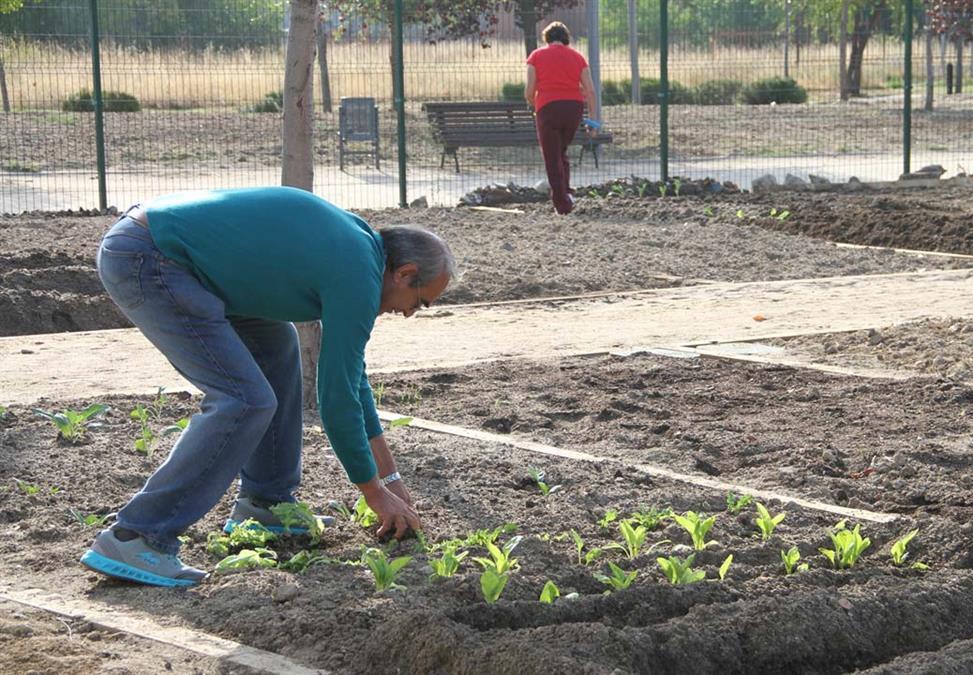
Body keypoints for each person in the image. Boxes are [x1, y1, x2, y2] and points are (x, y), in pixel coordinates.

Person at [80, 186, 456, 587]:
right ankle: (137, 534)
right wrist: (373, 492)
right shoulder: (358, 272)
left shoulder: (361, 252)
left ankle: (265, 503)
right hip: (153, 258)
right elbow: (336, 399)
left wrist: (391, 479)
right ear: (405, 273)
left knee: (278, 349)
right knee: (243, 399)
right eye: (420, 302)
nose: (410, 313)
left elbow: (352, 379)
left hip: (179, 259)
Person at [525, 21, 597, 215]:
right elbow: (590, 90)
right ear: (566, 38)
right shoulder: (578, 58)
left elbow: (529, 90)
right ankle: (566, 191)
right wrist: (592, 121)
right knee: (561, 151)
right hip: (574, 108)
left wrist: (534, 105)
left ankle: (562, 205)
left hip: (548, 108)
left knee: (551, 157)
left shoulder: (536, 56)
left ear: (546, 38)